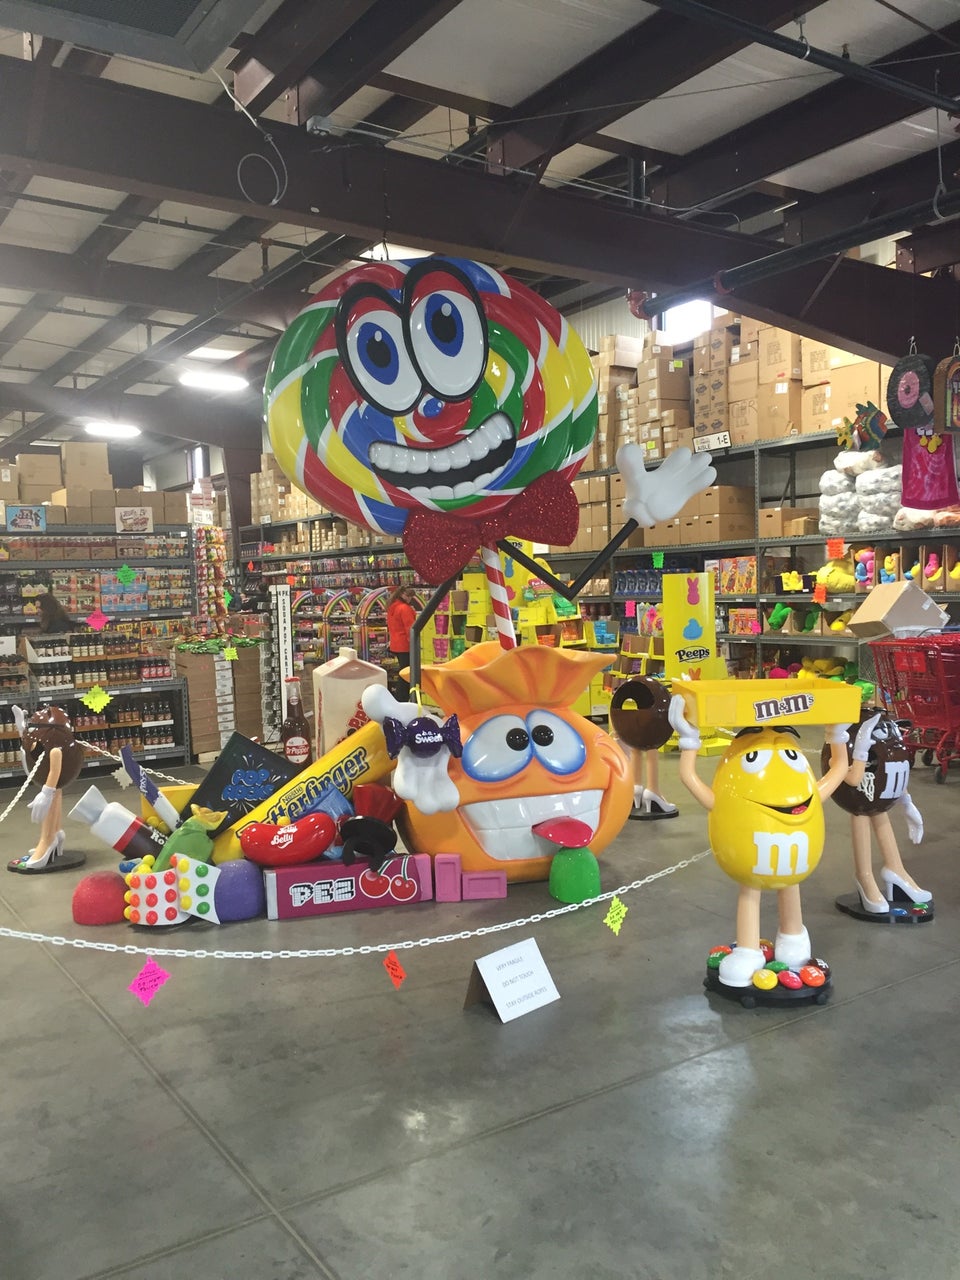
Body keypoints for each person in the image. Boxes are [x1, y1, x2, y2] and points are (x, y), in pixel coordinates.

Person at [386, 585, 417, 701]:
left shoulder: (392, 607)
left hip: (396, 644)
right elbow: (411, 628)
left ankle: (400, 698)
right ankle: (401, 698)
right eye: (408, 596)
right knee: (407, 673)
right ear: (402, 594)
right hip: (405, 645)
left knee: (403, 671)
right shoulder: (405, 609)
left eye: (411, 596)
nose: (410, 599)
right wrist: (414, 644)